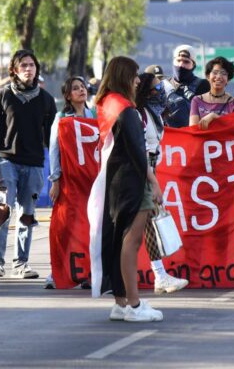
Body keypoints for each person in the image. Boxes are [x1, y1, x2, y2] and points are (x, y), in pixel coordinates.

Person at [88, 56, 163, 322]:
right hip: (131, 182)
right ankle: (133, 304)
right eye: (134, 75)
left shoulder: (107, 103)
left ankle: (121, 302)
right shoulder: (125, 110)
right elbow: (137, 152)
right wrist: (154, 183)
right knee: (131, 243)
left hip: (115, 181)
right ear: (123, 76)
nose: (138, 80)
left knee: (121, 242)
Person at [0, 49, 57, 279]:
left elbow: (53, 138)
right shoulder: (2, 96)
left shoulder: (46, 100)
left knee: (27, 215)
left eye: (31, 65)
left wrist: (56, 171)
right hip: (6, 162)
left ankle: (21, 264)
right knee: (2, 212)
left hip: (34, 165)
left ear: (37, 69)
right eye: (23, 65)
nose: (28, 69)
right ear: (14, 70)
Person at [135, 72, 189, 294]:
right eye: (157, 87)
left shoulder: (154, 113)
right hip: (142, 171)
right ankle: (159, 275)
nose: (161, 91)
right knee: (146, 223)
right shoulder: (140, 115)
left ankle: (159, 274)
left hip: (149, 168)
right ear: (146, 91)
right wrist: (153, 182)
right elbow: (140, 151)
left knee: (149, 223)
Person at [46, 76, 95, 289]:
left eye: (83, 87)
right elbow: (54, 150)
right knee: (65, 226)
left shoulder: (94, 115)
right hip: (68, 181)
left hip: (91, 182)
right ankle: (57, 271)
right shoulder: (61, 117)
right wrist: (55, 179)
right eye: (76, 88)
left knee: (89, 226)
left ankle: (87, 271)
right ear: (68, 95)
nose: (81, 91)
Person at [189, 56, 234, 130]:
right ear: (208, 76)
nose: (219, 76)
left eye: (223, 73)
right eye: (215, 72)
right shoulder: (197, 100)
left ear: (228, 79)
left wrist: (214, 116)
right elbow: (193, 129)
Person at [164, 45, 210, 127]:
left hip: (191, 135)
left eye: (186, 62)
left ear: (193, 65)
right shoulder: (164, 85)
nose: (181, 65)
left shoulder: (203, 85)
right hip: (167, 136)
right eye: (178, 60)